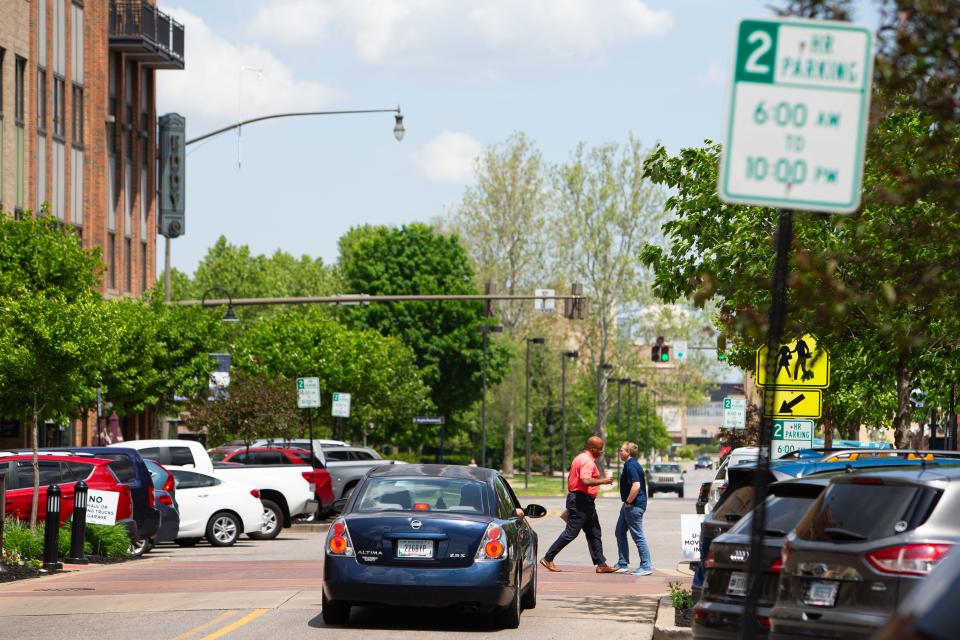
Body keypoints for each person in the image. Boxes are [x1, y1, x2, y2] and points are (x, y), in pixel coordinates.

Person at [539, 436, 618, 573]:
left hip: (584, 501)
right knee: (571, 532)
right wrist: (603, 481)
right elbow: (585, 480)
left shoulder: (580, 457)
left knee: (594, 532)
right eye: (599, 449)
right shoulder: (587, 461)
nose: (601, 452)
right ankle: (548, 558)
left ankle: (601, 564)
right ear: (592, 448)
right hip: (580, 500)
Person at [613, 442, 653, 576]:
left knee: (638, 536)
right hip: (628, 505)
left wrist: (629, 502)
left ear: (628, 453)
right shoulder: (630, 464)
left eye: (621, 450)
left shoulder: (631, 466)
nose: (619, 452)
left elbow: (636, 486)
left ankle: (646, 566)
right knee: (619, 531)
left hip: (633, 506)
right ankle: (622, 563)